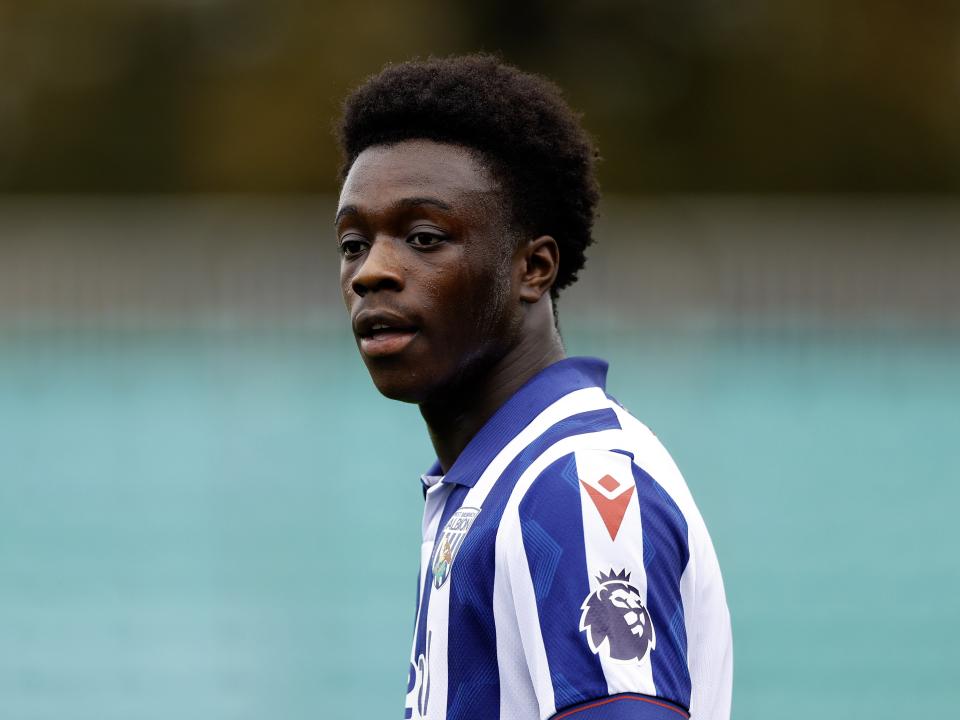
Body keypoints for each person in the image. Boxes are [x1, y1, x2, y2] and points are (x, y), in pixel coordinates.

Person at [334, 54, 732, 720]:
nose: (371, 271)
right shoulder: (487, 491)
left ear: (533, 268)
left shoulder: (572, 488)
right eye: (352, 242)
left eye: (424, 237)